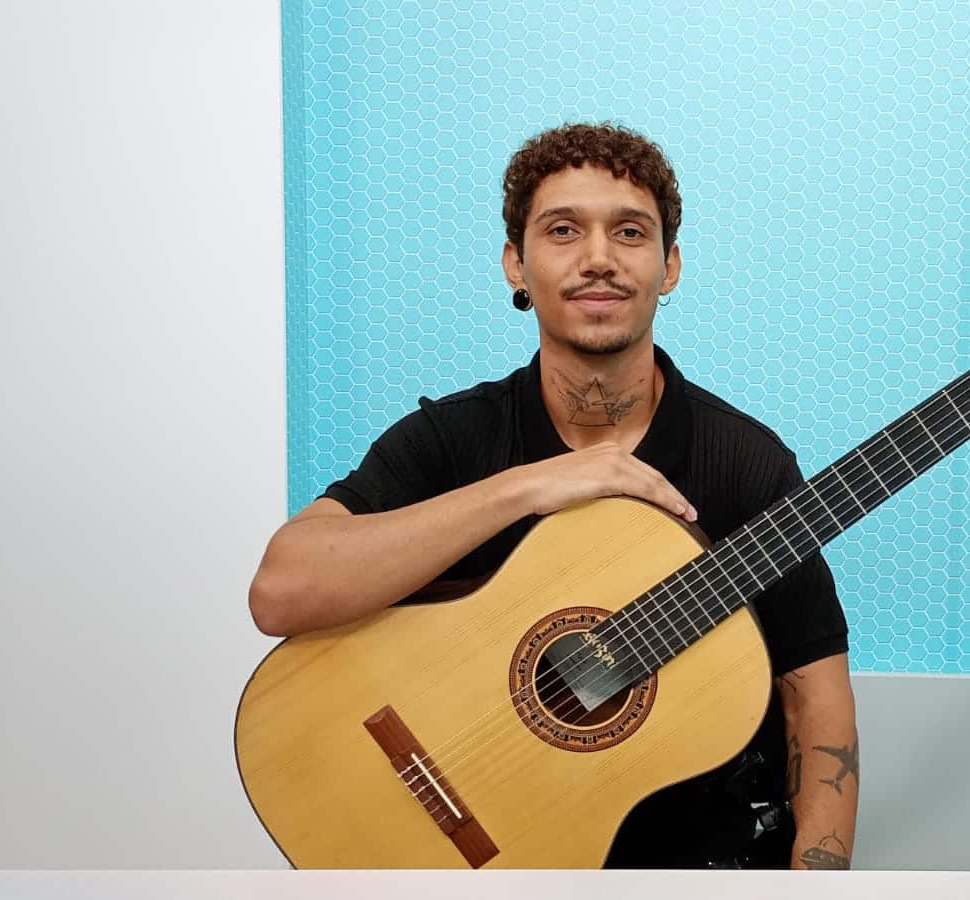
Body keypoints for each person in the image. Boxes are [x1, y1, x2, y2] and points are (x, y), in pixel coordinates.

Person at [248, 121, 859, 870]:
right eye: (564, 230)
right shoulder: (456, 439)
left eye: (630, 232)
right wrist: (530, 485)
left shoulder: (747, 464)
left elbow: (814, 698)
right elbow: (282, 591)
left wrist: (818, 884)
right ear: (517, 263)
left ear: (669, 267)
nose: (598, 259)